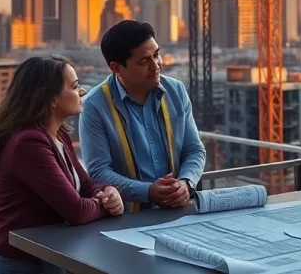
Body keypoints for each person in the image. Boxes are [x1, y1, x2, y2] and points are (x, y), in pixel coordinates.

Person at [0, 55, 123, 274]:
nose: (82, 91)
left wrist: (110, 192)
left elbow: (87, 184)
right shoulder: (28, 143)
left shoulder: (59, 135)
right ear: (51, 99)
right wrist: (107, 206)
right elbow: (76, 211)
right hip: (10, 265)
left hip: (41, 261)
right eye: (74, 87)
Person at [80, 21, 207, 212]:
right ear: (116, 68)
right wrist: (147, 191)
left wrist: (186, 183)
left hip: (178, 211)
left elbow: (194, 149)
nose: (155, 66)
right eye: (144, 61)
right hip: (125, 218)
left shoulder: (176, 91)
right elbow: (98, 172)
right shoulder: (94, 106)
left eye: (156, 55)